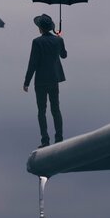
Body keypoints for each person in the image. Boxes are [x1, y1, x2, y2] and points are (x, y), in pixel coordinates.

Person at [23, 14, 67, 148]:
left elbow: (33, 63)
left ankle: (45, 140)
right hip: (54, 79)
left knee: (41, 111)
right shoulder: (58, 40)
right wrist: (60, 39)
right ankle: (59, 138)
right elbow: (64, 55)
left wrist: (26, 82)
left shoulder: (37, 42)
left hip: (41, 81)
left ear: (40, 28)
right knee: (56, 109)